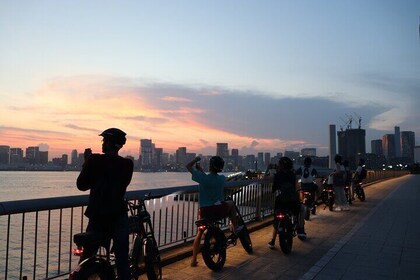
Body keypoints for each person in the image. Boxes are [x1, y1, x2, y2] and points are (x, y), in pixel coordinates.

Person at [76, 128, 134, 280]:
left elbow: (81, 185)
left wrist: (87, 162)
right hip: (118, 216)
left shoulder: (95, 160)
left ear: (108, 143)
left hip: (97, 216)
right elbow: (122, 184)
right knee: (122, 261)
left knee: (87, 257)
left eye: (104, 140)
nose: (102, 143)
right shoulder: (128, 164)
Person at [186, 156, 240, 267]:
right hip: (218, 211)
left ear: (210, 166)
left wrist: (196, 159)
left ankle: (193, 260)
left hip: (205, 212)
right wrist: (202, 172)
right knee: (231, 205)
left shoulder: (202, 178)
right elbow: (213, 180)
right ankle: (235, 228)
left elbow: (188, 167)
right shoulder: (221, 179)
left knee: (200, 233)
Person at [268, 157, 306, 249]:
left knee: (277, 219)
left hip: (280, 201)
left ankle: (272, 241)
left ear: (281, 165)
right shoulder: (292, 175)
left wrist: (268, 169)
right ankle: (300, 228)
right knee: (301, 209)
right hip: (292, 201)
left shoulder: (277, 175)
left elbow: (273, 188)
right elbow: (294, 187)